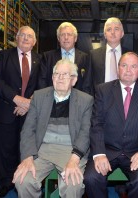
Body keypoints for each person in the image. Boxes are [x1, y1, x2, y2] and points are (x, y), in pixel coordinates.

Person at [84, 52, 138, 197]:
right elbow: (97, 124)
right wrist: (99, 154)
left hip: (137, 151)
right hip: (107, 150)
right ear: (118, 69)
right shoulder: (103, 90)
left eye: (133, 67)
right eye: (124, 65)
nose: (128, 70)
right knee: (91, 178)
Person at [13, 59, 93, 198]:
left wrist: (74, 160)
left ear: (73, 80)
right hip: (42, 150)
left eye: (65, 74)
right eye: (57, 74)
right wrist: (27, 157)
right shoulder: (39, 96)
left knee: (73, 185)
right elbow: (28, 130)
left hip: (71, 151)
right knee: (23, 180)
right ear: (52, 77)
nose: (60, 78)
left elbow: (85, 133)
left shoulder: (85, 100)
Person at [0, 26, 41, 198]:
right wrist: (16, 99)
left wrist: (28, 103)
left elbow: (43, 85)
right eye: (23, 35)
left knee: (26, 150)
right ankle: (5, 184)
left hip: (30, 113)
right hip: (7, 110)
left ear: (34, 42)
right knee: (6, 151)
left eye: (30, 36)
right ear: (17, 38)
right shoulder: (4, 56)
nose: (26, 39)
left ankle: (25, 185)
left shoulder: (40, 59)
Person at [83, 17, 129, 95]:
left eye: (116, 29)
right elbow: (87, 84)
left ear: (122, 33)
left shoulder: (131, 55)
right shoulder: (93, 55)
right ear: (104, 34)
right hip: (100, 102)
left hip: (125, 102)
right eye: (109, 29)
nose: (112, 32)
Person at [38, 22, 89, 91]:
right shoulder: (47, 57)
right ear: (58, 38)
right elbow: (42, 82)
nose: (66, 37)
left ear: (75, 38)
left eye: (69, 34)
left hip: (78, 99)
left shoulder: (85, 58)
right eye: (62, 35)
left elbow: (87, 83)